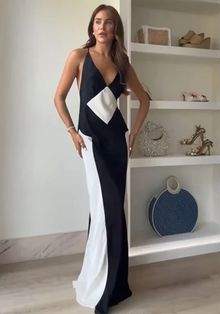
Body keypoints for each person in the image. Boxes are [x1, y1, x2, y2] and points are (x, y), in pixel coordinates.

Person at [54, 4, 150, 314]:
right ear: (91, 26)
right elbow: (58, 97)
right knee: (104, 209)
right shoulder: (79, 57)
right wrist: (71, 132)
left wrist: (133, 133)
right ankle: (99, 287)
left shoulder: (122, 63)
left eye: (109, 22)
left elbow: (145, 100)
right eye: (97, 21)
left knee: (110, 210)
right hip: (92, 145)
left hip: (117, 144)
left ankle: (116, 284)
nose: (102, 27)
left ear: (115, 29)